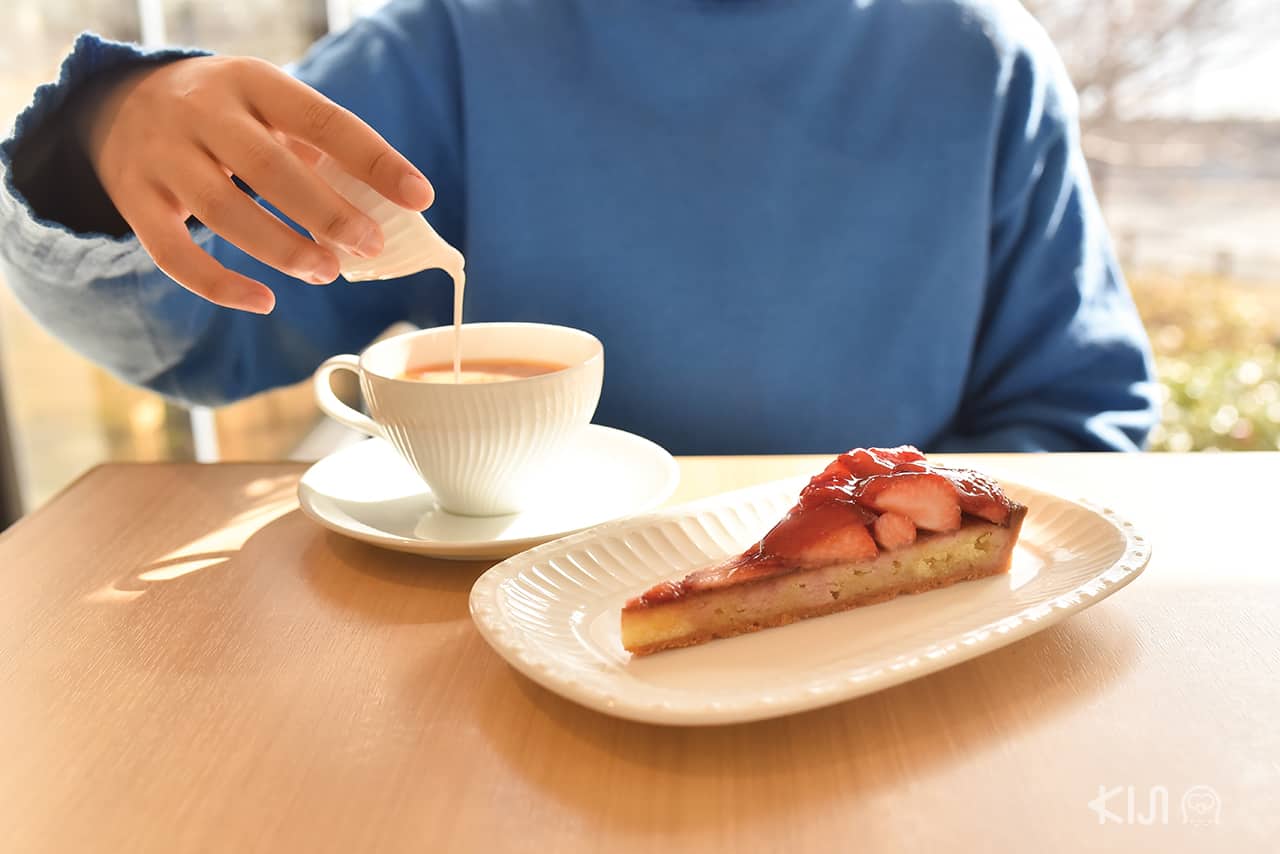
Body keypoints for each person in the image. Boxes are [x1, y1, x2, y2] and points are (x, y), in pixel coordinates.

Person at [0, 0, 1157, 455]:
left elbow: (1075, 410)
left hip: (890, 665)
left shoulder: (979, 64)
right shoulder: (454, 50)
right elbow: (190, 334)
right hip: (499, 664)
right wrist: (108, 135)